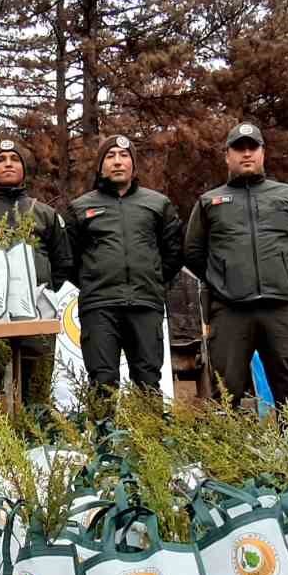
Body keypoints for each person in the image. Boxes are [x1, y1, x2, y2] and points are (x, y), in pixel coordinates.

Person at [183, 122, 288, 413]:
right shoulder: (210, 202)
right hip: (230, 312)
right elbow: (193, 252)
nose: (246, 154)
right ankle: (226, 456)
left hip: (281, 310)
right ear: (227, 156)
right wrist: (223, 280)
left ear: (262, 153)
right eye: (239, 148)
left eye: (252, 148)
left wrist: (284, 275)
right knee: (224, 394)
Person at [65, 134, 184, 392]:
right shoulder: (80, 208)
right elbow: (69, 259)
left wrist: (152, 278)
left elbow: (174, 252)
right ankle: (103, 433)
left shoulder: (158, 204)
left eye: (124, 155)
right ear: (100, 166)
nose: (117, 162)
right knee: (102, 383)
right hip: (99, 308)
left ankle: (148, 433)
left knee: (148, 383)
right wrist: (94, 279)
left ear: (133, 164)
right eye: (110, 156)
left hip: (145, 305)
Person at [0, 137, 73, 402]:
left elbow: (63, 262)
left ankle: (35, 436)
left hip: (36, 312)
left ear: (24, 169)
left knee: (35, 386)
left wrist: (46, 295)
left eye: (14, 160)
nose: (8, 164)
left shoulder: (45, 214)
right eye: (0, 160)